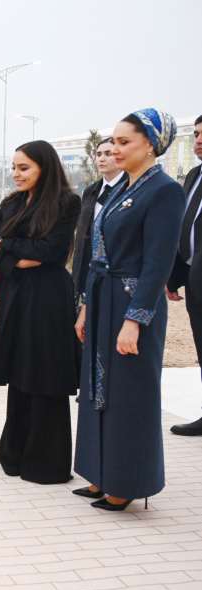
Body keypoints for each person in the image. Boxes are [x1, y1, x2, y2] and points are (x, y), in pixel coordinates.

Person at [74, 109, 185, 510]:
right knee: (96, 388)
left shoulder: (164, 191)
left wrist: (135, 321)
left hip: (133, 304)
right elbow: (99, 253)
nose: (115, 149)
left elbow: (158, 264)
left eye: (124, 142)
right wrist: (86, 307)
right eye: (114, 141)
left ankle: (125, 483)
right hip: (103, 298)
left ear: (151, 145)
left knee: (129, 394)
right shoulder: (123, 187)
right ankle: (99, 474)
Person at [0, 141, 81, 484]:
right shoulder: (12, 202)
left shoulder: (66, 202)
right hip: (16, 293)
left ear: (44, 168)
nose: (16, 174)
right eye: (14, 167)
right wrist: (16, 260)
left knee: (46, 373)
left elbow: (50, 251)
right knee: (20, 369)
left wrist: (6, 244)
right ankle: (15, 455)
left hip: (49, 296)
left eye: (24, 168)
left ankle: (46, 464)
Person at [167, 114, 202, 436]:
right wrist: (174, 276)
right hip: (194, 280)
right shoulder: (193, 175)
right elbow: (185, 226)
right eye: (197, 134)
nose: (199, 141)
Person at [71, 139, 127, 306]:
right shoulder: (90, 191)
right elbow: (82, 236)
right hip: (89, 269)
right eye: (99, 154)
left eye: (108, 154)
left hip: (117, 272)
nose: (102, 158)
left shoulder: (132, 188)